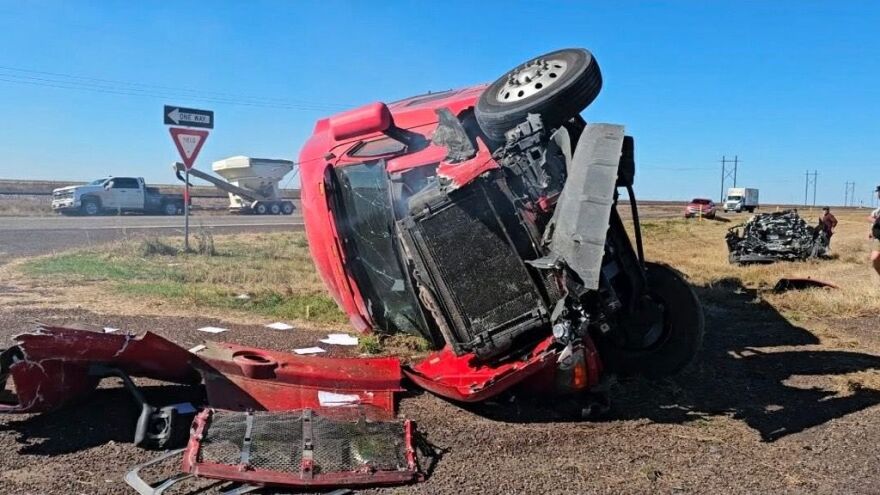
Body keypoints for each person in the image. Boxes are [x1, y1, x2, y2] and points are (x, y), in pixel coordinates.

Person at [871, 186, 880, 277]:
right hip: (877, 236)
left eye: (879, 192)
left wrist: (874, 220)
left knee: (875, 258)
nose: (877, 194)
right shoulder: (878, 209)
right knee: (875, 259)